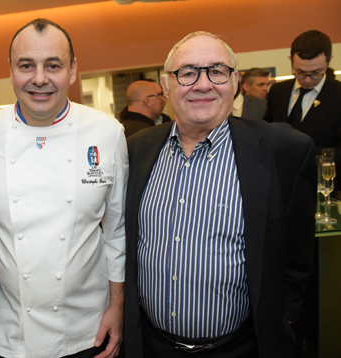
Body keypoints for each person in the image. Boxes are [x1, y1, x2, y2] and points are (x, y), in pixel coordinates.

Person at [123, 31, 315, 357]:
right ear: (166, 85)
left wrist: (284, 318)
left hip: (242, 347)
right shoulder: (135, 149)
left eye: (217, 71)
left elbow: (298, 258)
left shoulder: (284, 152)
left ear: (235, 81)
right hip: (151, 346)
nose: (202, 84)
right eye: (187, 73)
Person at [0, 18, 128, 358]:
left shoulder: (107, 132)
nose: (39, 79)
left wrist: (117, 307)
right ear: (10, 71)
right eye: (26, 65)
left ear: (72, 70)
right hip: (7, 331)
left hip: (88, 328)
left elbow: (116, 230)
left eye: (53, 65)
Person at [264, 30, 341, 162]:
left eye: (316, 73)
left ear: (329, 61)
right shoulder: (278, 91)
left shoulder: (337, 93)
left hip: (323, 177)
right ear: (290, 60)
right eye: (299, 72)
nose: (307, 80)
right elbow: (268, 129)